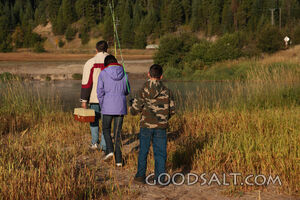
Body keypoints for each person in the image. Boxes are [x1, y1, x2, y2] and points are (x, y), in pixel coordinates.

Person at [129, 64, 175, 185]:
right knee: (160, 152)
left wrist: (131, 106)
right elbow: (172, 111)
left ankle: (140, 177)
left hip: (145, 126)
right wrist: (163, 118)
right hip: (161, 127)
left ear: (148, 74)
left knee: (143, 151)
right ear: (161, 76)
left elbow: (135, 110)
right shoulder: (167, 91)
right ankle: (160, 180)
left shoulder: (143, 90)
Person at [97, 55, 130, 167]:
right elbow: (127, 90)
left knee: (106, 129)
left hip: (107, 106)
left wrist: (103, 105)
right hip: (121, 106)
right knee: (117, 133)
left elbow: (99, 92)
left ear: (106, 64)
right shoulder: (124, 73)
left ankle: (110, 150)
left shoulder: (103, 73)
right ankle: (119, 161)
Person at [81, 40, 109, 150]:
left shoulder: (90, 62)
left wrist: (84, 100)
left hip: (94, 97)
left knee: (93, 120)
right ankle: (104, 144)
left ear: (96, 49)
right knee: (106, 121)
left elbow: (87, 82)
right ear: (107, 49)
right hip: (108, 98)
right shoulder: (112, 61)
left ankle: (94, 143)